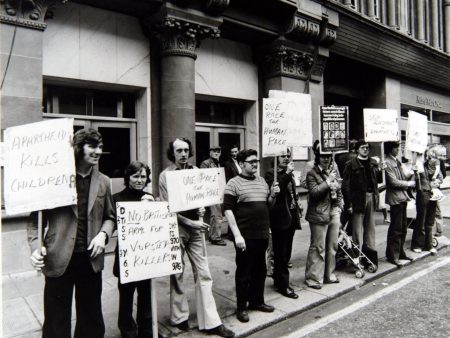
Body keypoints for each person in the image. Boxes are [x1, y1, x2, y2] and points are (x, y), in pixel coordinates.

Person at [28, 128, 115, 338]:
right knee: (56, 321)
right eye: (92, 146)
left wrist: (103, 235)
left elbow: (110, 218)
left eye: (100, 147)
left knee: (90, 319)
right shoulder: (54, 179)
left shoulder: (103, 181)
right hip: (58, 258)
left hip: (90, 260)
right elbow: (34, 223)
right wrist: (35, 247)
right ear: (78, 148)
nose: (98, 151)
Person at [159, 138, 234, 338]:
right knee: (177, 273)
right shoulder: (165, 176)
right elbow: (167, 208)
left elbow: (205, 194)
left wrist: (203, 206)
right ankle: (179, 317)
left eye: (186, 150)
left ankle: (211, 321)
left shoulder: (195, 172)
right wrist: (190, 222)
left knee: (204, 272)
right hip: (177, 229)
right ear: (172, 153)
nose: (183, 154)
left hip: (196, 229)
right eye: (179, 150)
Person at [223, 149, 279, 323]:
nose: (255, 164)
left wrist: (272, 195)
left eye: (257, 161)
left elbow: (268, 205)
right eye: (251, 161)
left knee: (260, 270)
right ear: (241, 164)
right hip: (245, 236)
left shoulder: (262, 181)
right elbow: (228, 210)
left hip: (261, 233)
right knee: (244, 272)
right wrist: (237, 235)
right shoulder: (233, 183)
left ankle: (257, 301)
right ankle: (242, 307)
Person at [113, 161, 154, 338]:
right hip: (127, 256)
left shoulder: (150, 197)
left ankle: (146, 330)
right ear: (127, 178)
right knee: (126, 296)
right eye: (135, 176)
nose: (139, 180)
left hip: (145, 255)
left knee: (146, 295)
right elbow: (113, 224)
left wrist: (152, 207)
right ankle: (127, 330)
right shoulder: (116, 198)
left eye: (143, 176)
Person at [304, 144, 343, 289]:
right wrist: (327, 182)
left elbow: (339, 189)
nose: (326, 159)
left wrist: (339, 204)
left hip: (333, 211)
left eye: (328, 156)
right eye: (323, 156)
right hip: (318, 213)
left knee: (332, 245)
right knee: (318, 247)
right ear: (318, 157)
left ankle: (329, 274)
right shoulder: (312, 173)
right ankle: (313, 278)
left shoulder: (333, 171)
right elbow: (314, 192)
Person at [264, 148, 301, 299]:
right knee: (280, 253)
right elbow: (276, 193)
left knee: (286, 252)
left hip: (291, 215)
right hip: (279, 218)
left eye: (287, 156)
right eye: (282, 156)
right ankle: (283, 285)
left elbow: (291, 193)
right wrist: (286, 174)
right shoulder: (271, 173)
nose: (286, 158)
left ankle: (279, 279)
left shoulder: (289, 173)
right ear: (276, 158)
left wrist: (297, 205)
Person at [342, 139, 381, 252]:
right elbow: (346, 185)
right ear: (357, 150)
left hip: (371, 196)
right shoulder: (350, 164)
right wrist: (349, 203)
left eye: (367, 148)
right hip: (357, 199)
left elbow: (377, 181)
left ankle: (370, 254)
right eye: (362, 147)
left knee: (370, 228)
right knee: (357, 230)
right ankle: (357, 257)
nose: (365, 150)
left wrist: (380, 170)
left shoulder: (373, 163)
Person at [384, 141, 416, 266]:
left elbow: (403, 177)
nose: (398, 150)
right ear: (391, 149)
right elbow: (393, 182)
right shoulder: (387, 162)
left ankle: (400, 252)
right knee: (396, 228)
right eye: (396, 148)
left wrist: (412, 171)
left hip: (401, 198)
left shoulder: (396, 161)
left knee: (403, 227)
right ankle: (393, 255)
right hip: (395, 199)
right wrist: (409, 184)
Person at [411, 145, 442, 255]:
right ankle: (417, 244)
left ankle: (428, 245)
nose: (423, 155)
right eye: (421, 154)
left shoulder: (430, 163)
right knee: (421, 220)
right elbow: (413, 180)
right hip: (423, 194)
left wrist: (438, 181)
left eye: (424, 153)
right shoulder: (417, 165)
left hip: (432, 194)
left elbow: (440, 176)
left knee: (430, 221)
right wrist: (414, 171)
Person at [200, 145, 226, 246]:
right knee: (217, 215)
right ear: (210, 152)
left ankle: (213, 236)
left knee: (216, 215)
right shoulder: (206, 163)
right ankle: (216, 237)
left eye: (218, 151)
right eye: (214, 151)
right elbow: (202, 177)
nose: (216, 153)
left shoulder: (219, 163)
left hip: (218, 191)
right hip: (211, 192)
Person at [434, 144, 447, 237]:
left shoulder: (438, 162)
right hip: (433, 189)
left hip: (435, 189)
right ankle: (438, 230)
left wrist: (436, 180)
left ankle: (439, 231)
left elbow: (443, 175)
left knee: (436, 210)